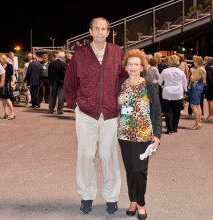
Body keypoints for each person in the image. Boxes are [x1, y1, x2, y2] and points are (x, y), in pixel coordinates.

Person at [64, 17, 128, 215]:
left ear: (108, 32)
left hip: (110, 113)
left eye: (103, 29)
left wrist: (123, 105)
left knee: (109, 156)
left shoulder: (118, 52)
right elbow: (69, 82)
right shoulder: (81, 54)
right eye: (96, 29)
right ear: (90, 31)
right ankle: (87, 196)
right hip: (86, 113)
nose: (100, 32)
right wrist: (74, 104)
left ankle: (111, 197)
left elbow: (125, 79)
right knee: (85, 155)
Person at [117, 49, 161, 220]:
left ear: (142, 67)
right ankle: (132, 200)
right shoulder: (120, 84)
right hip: (124, 134)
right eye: (130, 64)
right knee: (129, 170)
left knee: (139, 170)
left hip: (143, 135)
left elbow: (157, 111)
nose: (133, 67)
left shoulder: (149, 86)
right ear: (125, 67)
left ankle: (141, 203)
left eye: (136, 64)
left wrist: (157, 135)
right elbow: (117, 108)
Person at [158, 55, 187, 134]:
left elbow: (159, 82)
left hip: (167, 93)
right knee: (177, 111)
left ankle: (169, 129)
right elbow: (185, 84)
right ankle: (175, 128)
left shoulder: (165, 71)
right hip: (178, 93)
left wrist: (163, 86)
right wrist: (185, 92)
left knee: (168, 112)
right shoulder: (181, 72)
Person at [189, 56, 206, 130]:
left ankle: (197, 123)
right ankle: (199, 123)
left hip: (196, 88)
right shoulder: (202, 68)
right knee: (198, 106)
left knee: (193, 106)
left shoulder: (199, 69)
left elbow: (192, 78)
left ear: (197, 62)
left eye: (195, 61)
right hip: (199, 88)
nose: (193, 63)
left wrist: (192, 73)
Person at [0, 54, 15, 119]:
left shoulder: (9, 66)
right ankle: (6, 113)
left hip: (7, 84)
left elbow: (12, 75)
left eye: (0, 59)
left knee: (7, 99)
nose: (0, 60)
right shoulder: (0, 66)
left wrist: (13, 83)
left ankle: (12, 113)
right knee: (3, 99)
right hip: (1, 84)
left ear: (4, 59)